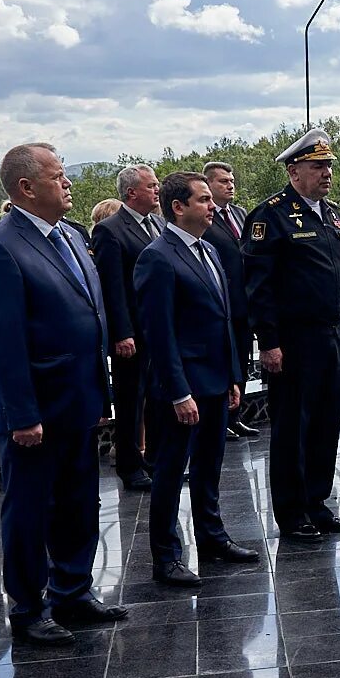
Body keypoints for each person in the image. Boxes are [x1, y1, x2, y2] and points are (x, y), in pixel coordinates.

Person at [0, 142, 126, 645]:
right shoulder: (0, 245)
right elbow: (3, 338)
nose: (68, 184)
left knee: (81, 501)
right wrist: (20, 413)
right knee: (30, 508)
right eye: (58, 176)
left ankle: (73, 591)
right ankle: (27, 606)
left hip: (79, 397)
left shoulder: (72, 236)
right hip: (35, 408)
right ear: (26, 187)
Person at [135, 171, 256, 584]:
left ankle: (212, 537)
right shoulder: (158, 256)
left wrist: (233, 375)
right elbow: (159, 332)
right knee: (170, 472)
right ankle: (166, 556)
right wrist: (178, 391)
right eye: (203, 200)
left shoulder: (209, 251)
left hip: (216, 381)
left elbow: (223, 320)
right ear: (178, 207)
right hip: (183, 388)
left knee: (210, 465)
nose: (211, 206)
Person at [243, 129, 340, 542]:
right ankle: (291, 512)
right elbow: (259, 286)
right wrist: (269, 342)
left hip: (332, 333)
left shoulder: (331, 216)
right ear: (294, 171)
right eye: (317, 166)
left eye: (328, 166)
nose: (326, 173)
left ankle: (317, 502)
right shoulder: (270, 216)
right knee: (293, 425)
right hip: (293, 340)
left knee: (327, 422)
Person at [89, 165, 164, 490]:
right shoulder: (110, 230)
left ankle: (155, 460)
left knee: (159, 397)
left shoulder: (159, 224)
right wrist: (121, 332)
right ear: (132, 192)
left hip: (159, 328)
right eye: (151, 186)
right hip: (132, 332)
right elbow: (112, 286)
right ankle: (130, 465)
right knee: (131, 398)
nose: (157, 190)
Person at [201, 161, 258, 440]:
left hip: (244, 301)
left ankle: (236, 416)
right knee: (223, 359)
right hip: (221, 301)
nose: (230, 185)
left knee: (242, 359)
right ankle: (221, 417)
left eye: (232, 180)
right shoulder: (206, 218)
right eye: (223, 181)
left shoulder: (240, 214)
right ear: (209, 184)